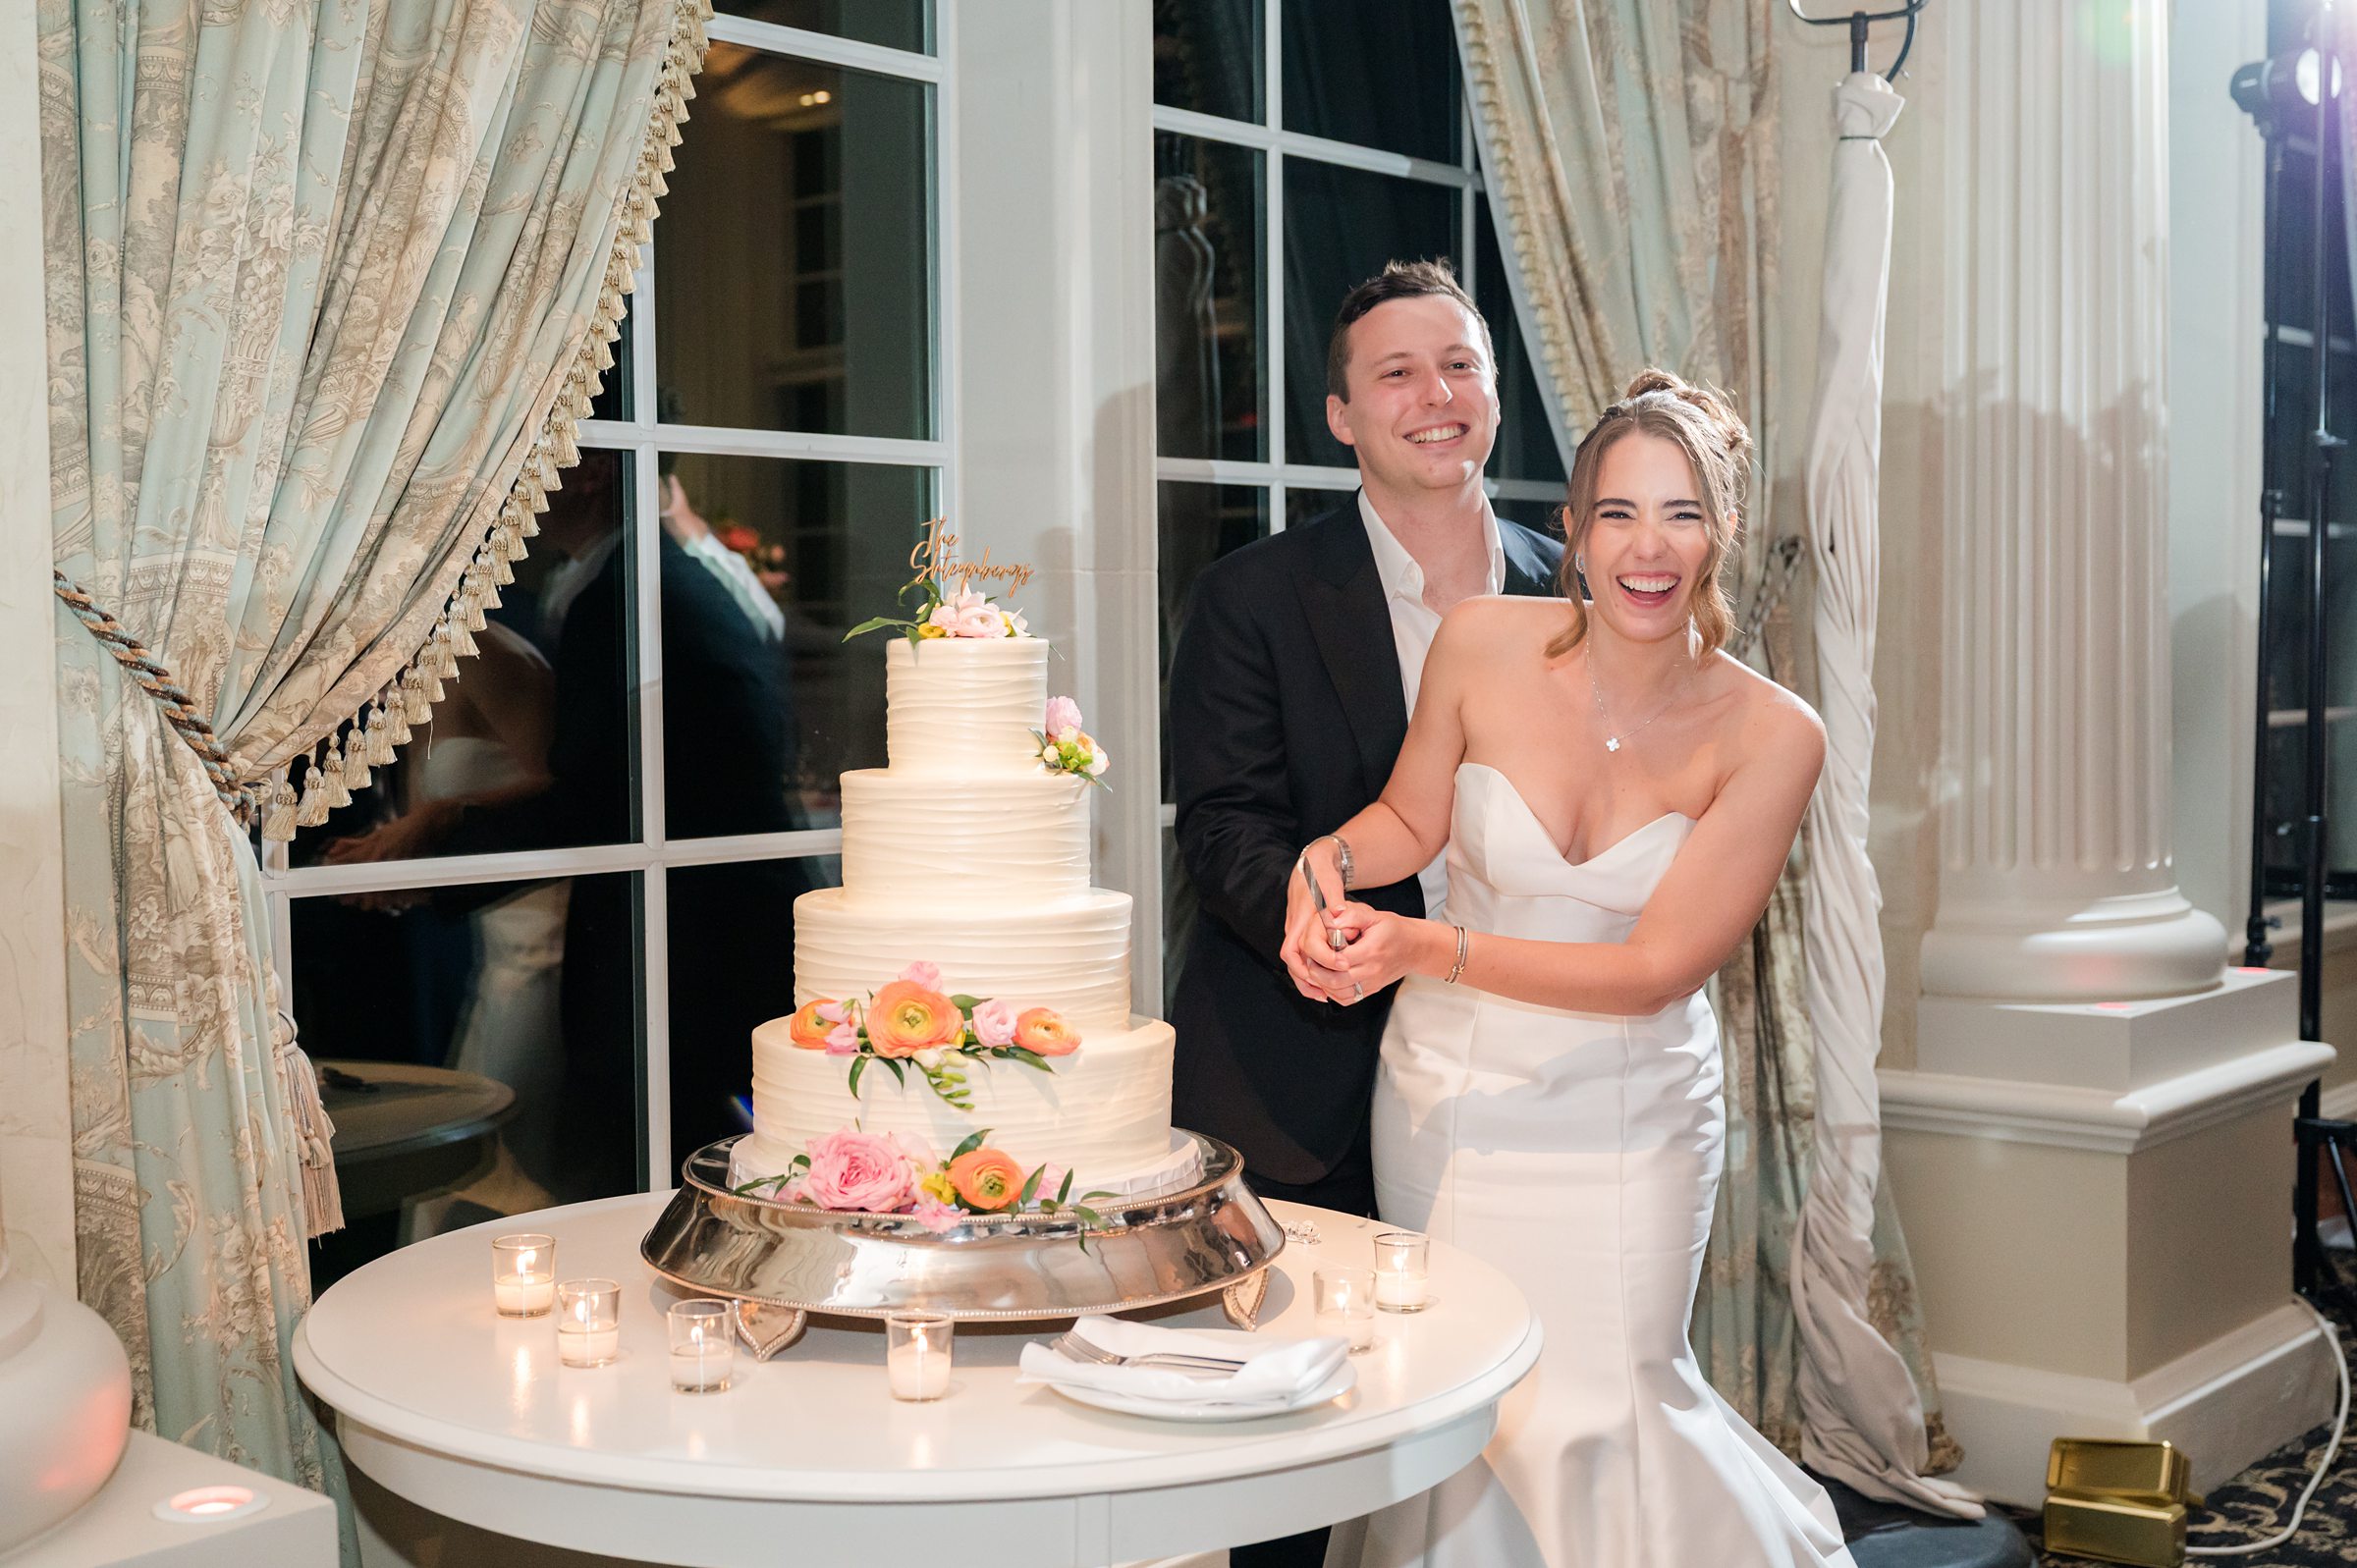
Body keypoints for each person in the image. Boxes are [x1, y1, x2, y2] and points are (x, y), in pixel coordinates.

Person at [1284, 371, 1853, 1568]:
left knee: (1612, 1388)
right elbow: (1407, 817)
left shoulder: (1773, 735)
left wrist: (1425, 946)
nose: (1649, 548)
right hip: (1450, 1095)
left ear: (1722, 534)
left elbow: (1655, 968)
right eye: (1618, 514)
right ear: (1575, 531)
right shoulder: (1481, 642)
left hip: (1630, 1112)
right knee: (1458, 1405)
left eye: (1682, 514)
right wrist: (1328, 861)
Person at [1168, 259, 1563, 1222]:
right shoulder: (1250, 598)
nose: (1435, 395)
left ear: (1495, 394)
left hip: (1537, 1069)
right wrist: (1317, 924)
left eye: (1460, 366)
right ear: (1342, 416)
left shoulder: (1577, 596)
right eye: (1396, 373)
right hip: (1304, 1079)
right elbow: (1226, 829)